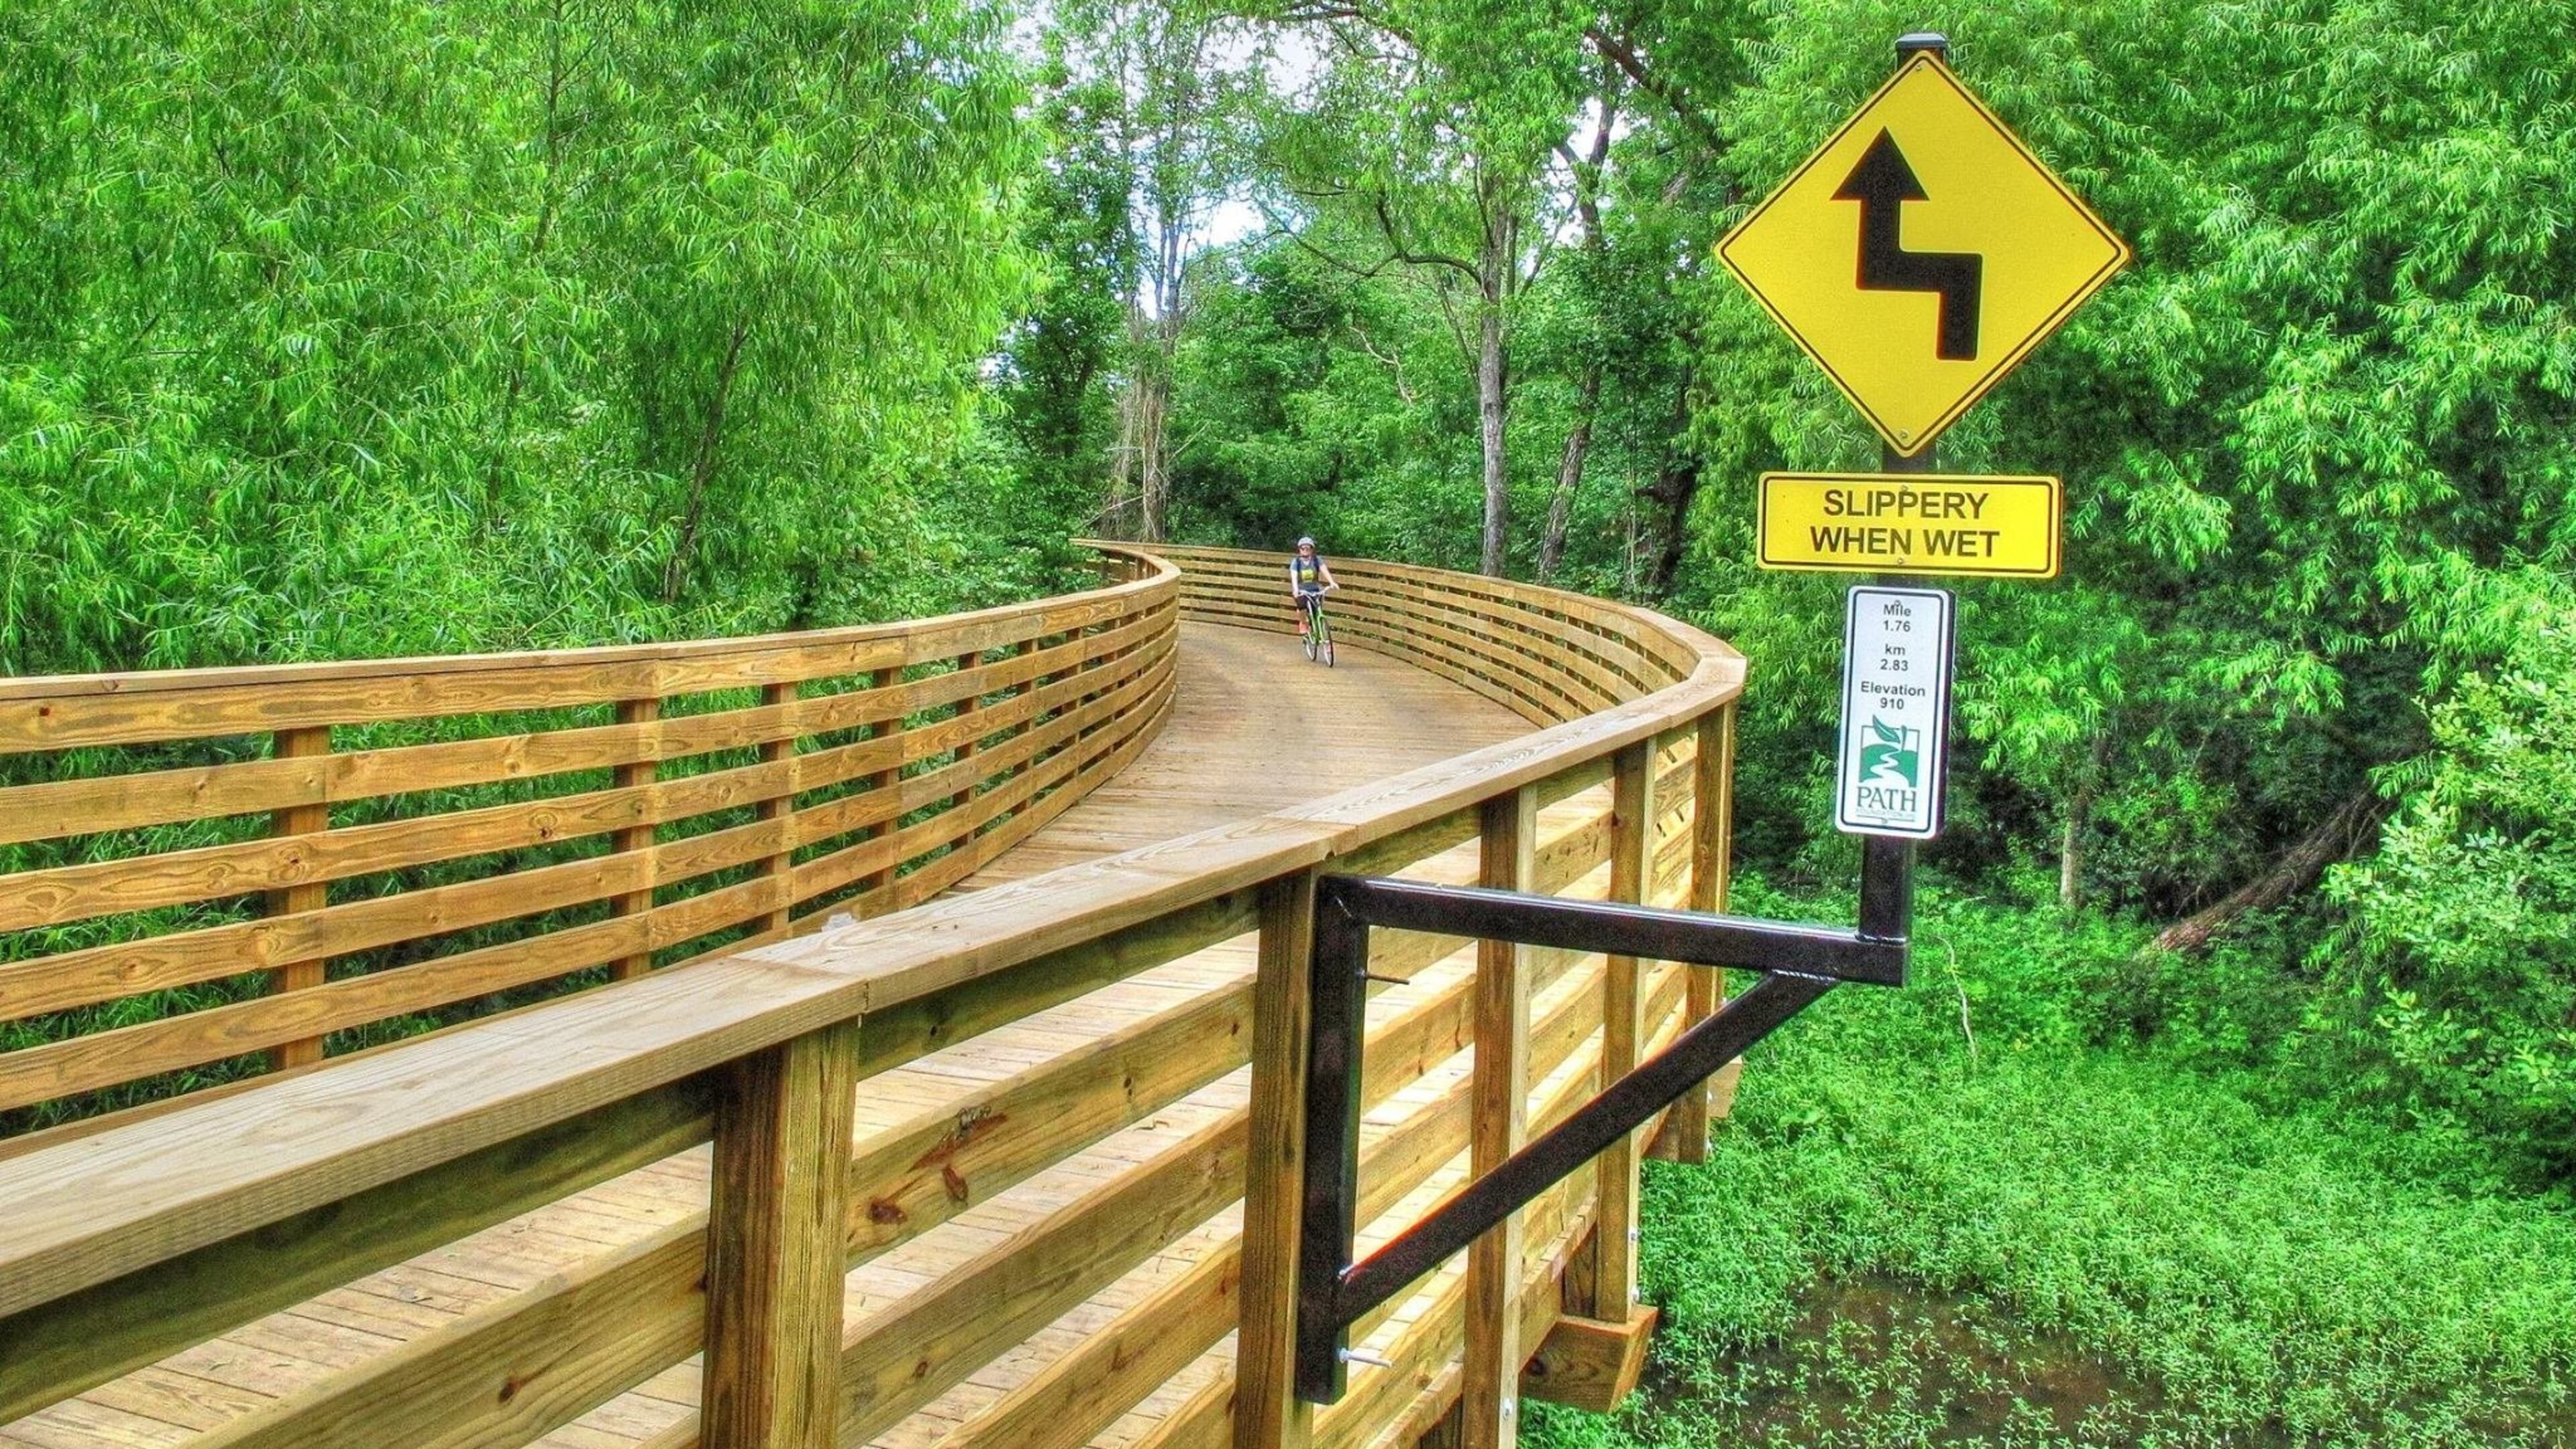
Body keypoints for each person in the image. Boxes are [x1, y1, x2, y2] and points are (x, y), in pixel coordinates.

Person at [1286, 536, 1338, 629]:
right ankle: (1303, 623)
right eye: (1303, 548)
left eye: (1308, 548)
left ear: (1312, 549)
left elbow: (1324, 570)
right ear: (1299, 549)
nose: (1305, 550)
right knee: (1302, 607)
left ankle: (1320, 636)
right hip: (1302, 591)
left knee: (1316, 612)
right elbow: (1294, 576)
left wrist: (1332, 582)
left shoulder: (1316, 560)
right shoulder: (1296, 562)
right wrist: (1296, 590)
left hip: (1315, 589)